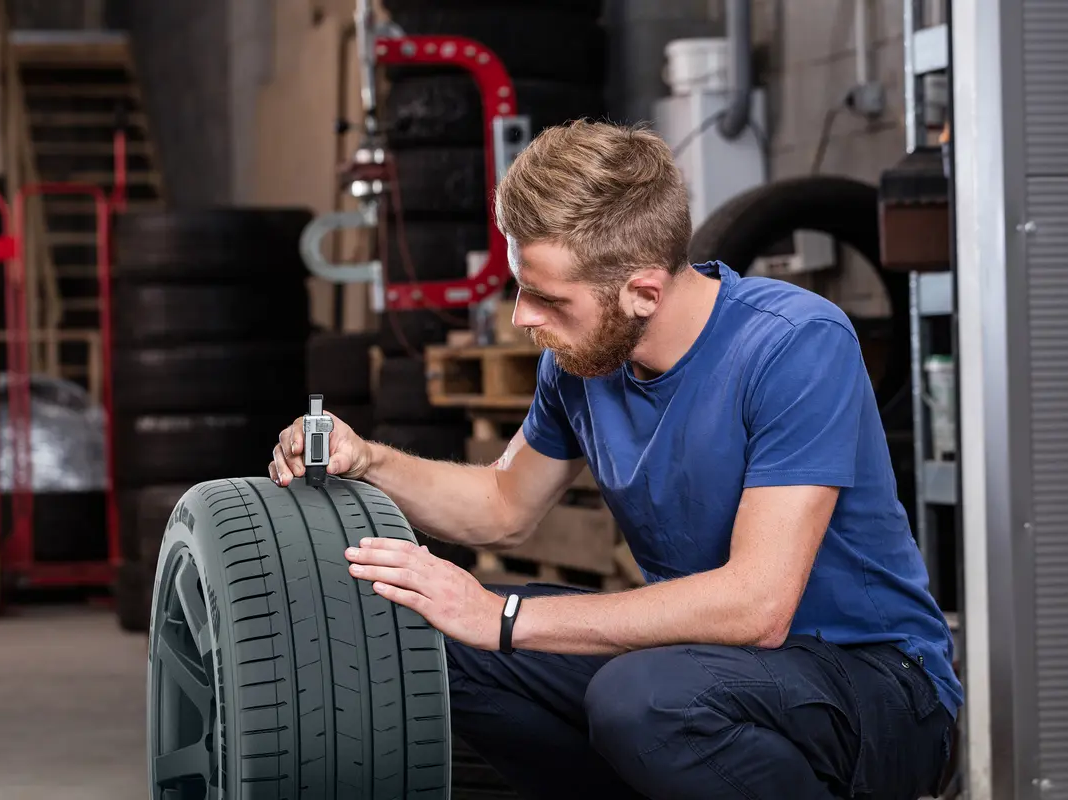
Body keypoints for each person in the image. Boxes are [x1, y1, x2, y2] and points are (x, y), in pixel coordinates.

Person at [269, 120, 961, 800]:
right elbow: (502, 507)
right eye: (520, 286)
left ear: (643, 291)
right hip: (707, 667)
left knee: (643, 700)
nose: (520, 319)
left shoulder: (793, 345)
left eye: (545, 297)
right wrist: (368, 460)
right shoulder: (582, 363)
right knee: (435, 645)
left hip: (877, 685)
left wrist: (504, 617)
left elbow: (757, 607)